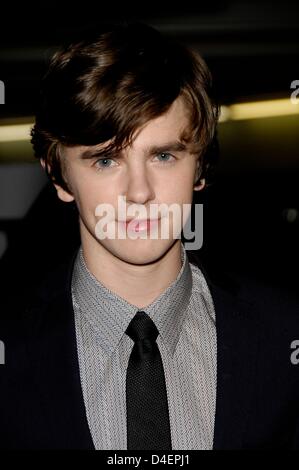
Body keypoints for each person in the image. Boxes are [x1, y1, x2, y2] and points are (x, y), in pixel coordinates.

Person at [0, 22, 299, 450]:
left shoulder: (284, 336)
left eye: (163, 155)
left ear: (199, 167)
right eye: (105, 161)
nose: (138, 192)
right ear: (60, 176)